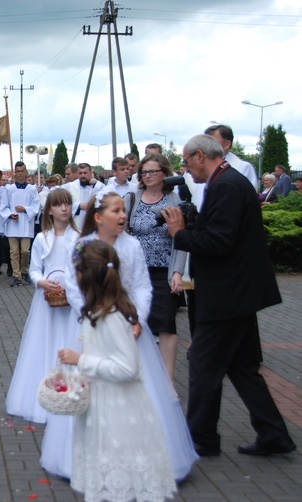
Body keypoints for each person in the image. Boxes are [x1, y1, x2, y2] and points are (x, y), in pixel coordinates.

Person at [164, 134, 296, 457]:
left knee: (203, 364)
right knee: (242, 368)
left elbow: (221, 243)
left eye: (186, 161)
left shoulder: (226, 185)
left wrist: (180, 234)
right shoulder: (227, 182)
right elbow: (221, 235)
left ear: (199, 156)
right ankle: (274, 434)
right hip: (237, 294)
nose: (185, 170)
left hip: (226, 297)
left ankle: (201, 439)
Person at [56, 191, 198, 480]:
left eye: (124, 211)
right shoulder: (82, 245)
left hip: (128, 326)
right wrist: (93, 313)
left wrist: (137, 320)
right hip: (92, 325)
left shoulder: (132, 245)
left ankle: (142, 457)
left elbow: (141, 287)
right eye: (116, 211)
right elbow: (73, 286)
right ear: (98, 217)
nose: (123, 216)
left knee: (135, 389)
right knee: (90, 391)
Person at [58, 239, 177, 502]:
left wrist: (81, 360)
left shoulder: (111, 317)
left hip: (116, 411)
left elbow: (127, 368)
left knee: (117, 479)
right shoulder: (99, 312)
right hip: (102, 406)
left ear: (85, 277)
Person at [6, 189, 79, 423]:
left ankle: (72, 390)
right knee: (45, 341)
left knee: (70, 339)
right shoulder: (41, 238)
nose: (64, 209)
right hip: (47, 298)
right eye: (58, 205)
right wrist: (40, 282)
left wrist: (73, 285)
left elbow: (82, 266)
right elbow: (35, 268)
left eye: (67, 204)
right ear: (49, 210)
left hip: (72, 298)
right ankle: (45, 392)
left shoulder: (79, 237)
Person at [124, 153, 187, 382]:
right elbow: (121, 232)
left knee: (166, 325)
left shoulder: (174, 200)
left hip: (163, 270)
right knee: (136, 321)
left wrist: (178, 273)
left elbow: (180, 240)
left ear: (164, 174)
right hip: (135, 272)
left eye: (153, 171)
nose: (148, 176)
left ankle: (167, 382)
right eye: (144, 172)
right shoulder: (132, 198)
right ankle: (138, 376)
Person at [0, 161, 40, 287]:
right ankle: (16, 275)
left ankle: (24, 271)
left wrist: (26, 209)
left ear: (26, 172)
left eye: (22, 171)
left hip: (26, 224)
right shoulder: (8, 189)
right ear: (15, 173)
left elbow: (36, 206)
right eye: (18, 171)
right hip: (13, 224)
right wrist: (10, 215)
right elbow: (3, 206)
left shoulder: (32, 189)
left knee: (26, 251)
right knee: (14, 251)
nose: (20, 174)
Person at [204, 124, 259, 190]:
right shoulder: (199, 167)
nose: (206, 146)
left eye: (212, 142)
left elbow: (249, 197)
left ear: (227, 144)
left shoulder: (244, 168)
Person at [63, 162, 105, 229]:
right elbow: (60, 203)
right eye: (80, 173)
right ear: (77, 173)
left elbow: (107, 195)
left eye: (85, 173)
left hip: (93, 225)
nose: (83, 175)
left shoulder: (97, 186)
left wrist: (96, 183)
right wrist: (79, 206)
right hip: (75, 225)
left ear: (90, 173)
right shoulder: (69, 187)